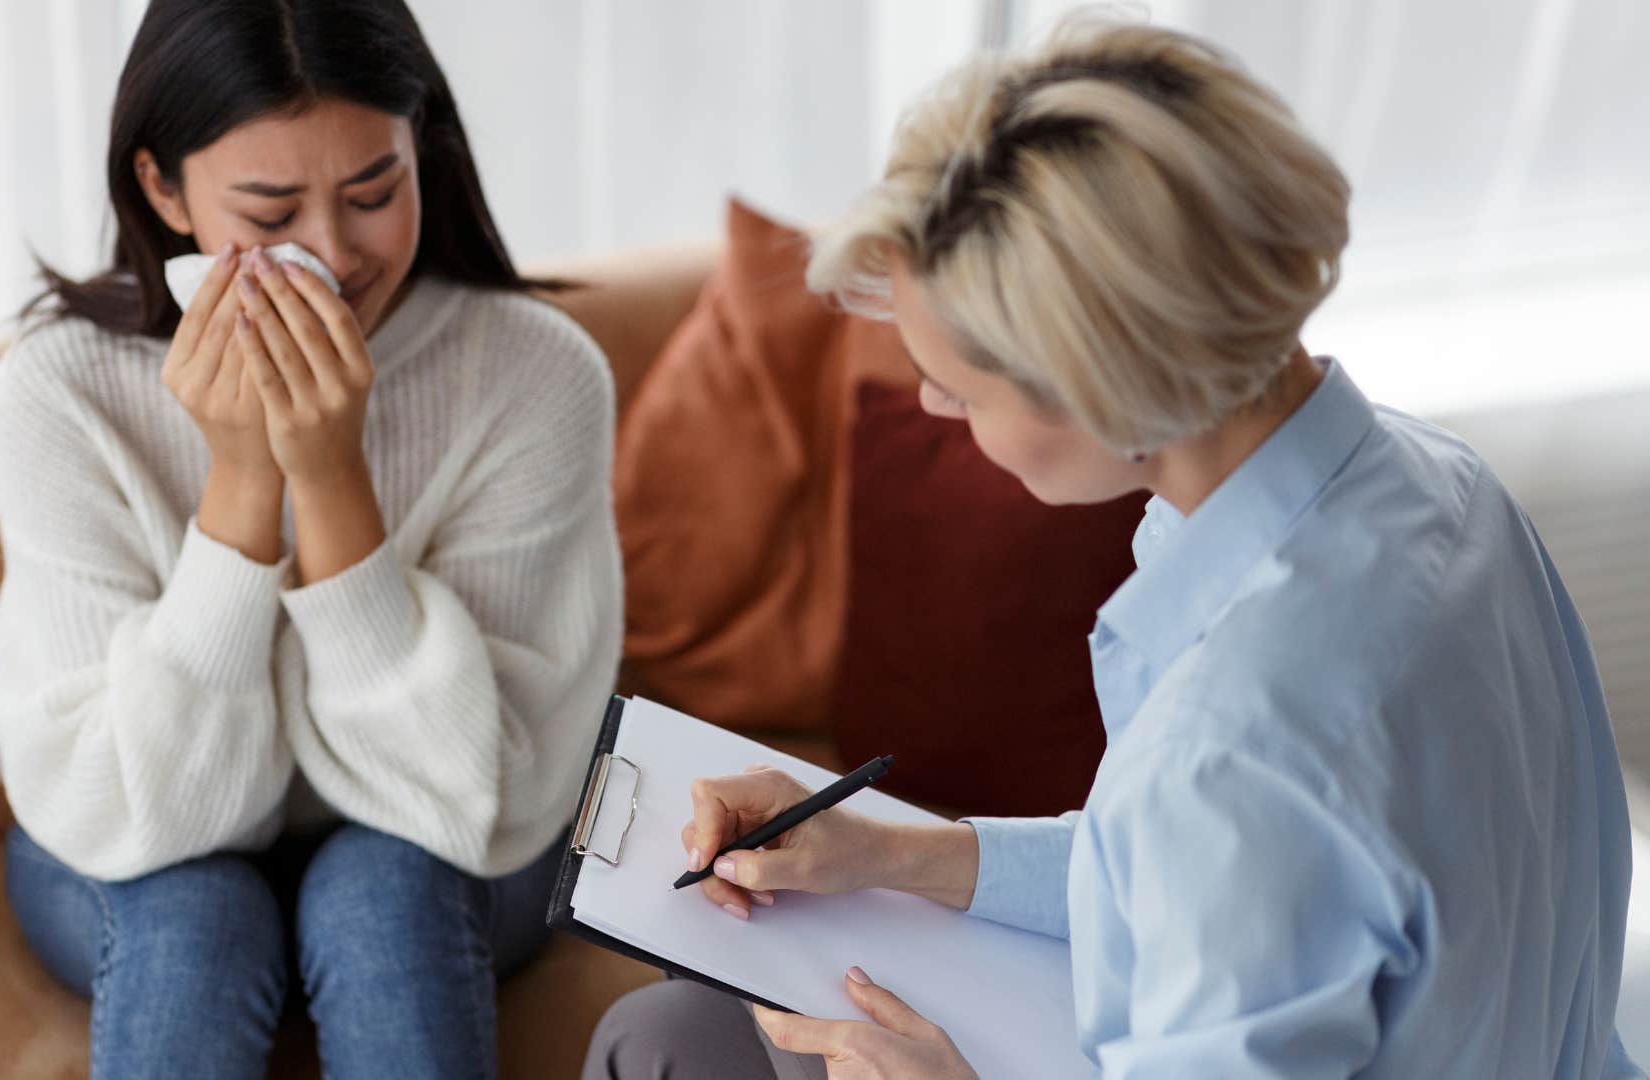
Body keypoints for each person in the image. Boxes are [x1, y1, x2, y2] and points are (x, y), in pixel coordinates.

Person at [585, 17, 1641, 1080]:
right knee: (675, 1035)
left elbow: (1228, 830)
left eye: (957, 384)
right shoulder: (1448, 489)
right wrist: (895, 852)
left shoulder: (1233, 753)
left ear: (1097, 388)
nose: (932, 402)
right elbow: (1199, 874)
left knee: (665, 1044)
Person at [0, 1, 620, 1076]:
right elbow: (122, 806)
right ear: (162, 189)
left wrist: (330, 477)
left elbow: (484, 800)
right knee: (195, 919)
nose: (332, 254)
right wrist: (242, 478)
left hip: (452, 848)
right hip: (129, 835)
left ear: (425, 146)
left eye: (375, 191)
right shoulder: (57, 394)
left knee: (385, 897)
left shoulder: (536, 376)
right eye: (271, 212)